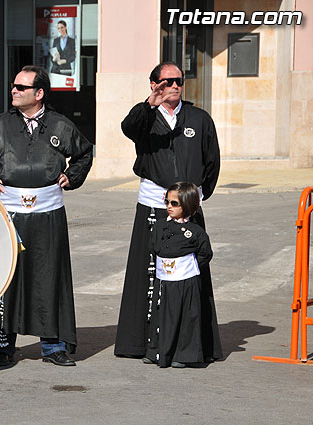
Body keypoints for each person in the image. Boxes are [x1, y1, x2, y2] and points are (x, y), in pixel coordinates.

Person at [0, 65, 93, 367]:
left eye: (21, 87)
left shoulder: (61, 125)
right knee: (9, 276)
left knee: (48, 276)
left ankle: (53, 345)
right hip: (9, 213)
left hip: (48, 213)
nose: (14, 91)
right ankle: (5, 344)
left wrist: (72, 175)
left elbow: (84, 153)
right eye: (14, 86)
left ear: (39, 93)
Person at [114, 61, 222, 363]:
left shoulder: (198, 118)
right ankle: (144, 344)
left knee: (189, 276)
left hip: (188, 211)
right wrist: (150, 105)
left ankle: (191, 346)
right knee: (150, 276)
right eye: (167, 81)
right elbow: (127, 128)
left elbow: (211, 160)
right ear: (154, 85)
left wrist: (198, 196)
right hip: (153, 207)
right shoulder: (146, 119)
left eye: (179, 81)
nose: (174, 86)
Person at [144, 182, 213, 368]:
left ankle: (183, 355)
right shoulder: (159, 227)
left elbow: (205, 253)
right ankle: (156, 351)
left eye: (174, 203)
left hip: (185, 281)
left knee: (185, 318)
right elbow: (153, 247)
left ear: (188, 205)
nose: (168, 206)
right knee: (160, 316)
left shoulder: (195, 232)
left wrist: (188, 267)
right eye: (167, 201)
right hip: (164, 281)